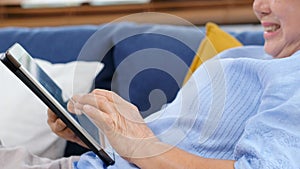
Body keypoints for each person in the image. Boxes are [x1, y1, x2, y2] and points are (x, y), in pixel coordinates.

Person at [1, 0, 300, 168]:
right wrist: (105, 136)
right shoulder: (254, 56)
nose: (259, 6)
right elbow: (179, 142)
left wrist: (141, 146)